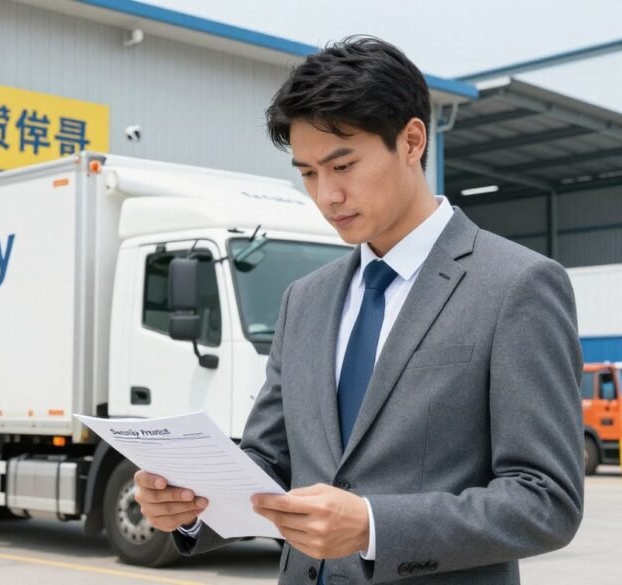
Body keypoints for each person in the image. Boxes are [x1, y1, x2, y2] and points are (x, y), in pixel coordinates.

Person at [134, 36, 583, 584]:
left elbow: (546, 501)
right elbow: (270, 461)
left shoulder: (516, 285)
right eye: (308, 173)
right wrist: (188, 505)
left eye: (342, 165)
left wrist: (373, 525)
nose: (326, 196)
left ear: (412, 140)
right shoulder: (306, 299)